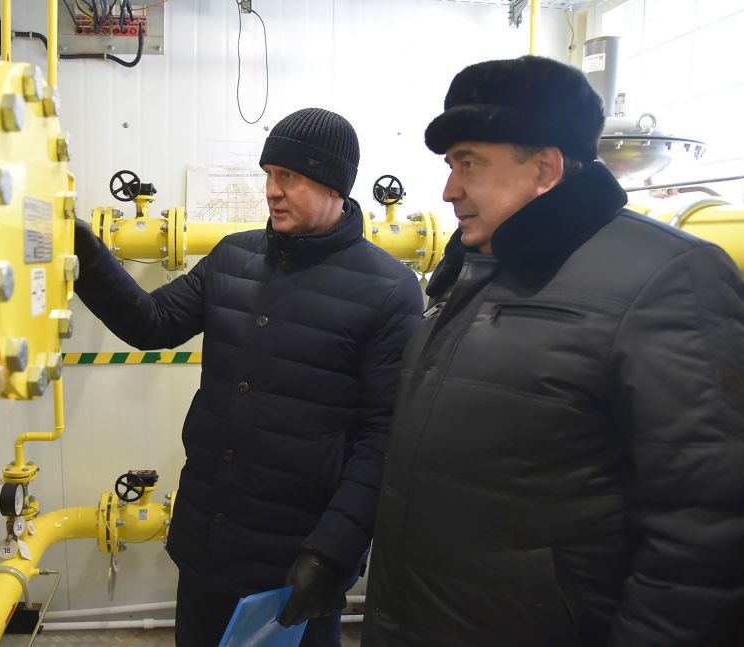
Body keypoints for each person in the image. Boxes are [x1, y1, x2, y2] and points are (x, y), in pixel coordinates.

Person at [363, 55, 744, 646]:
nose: (449, 190)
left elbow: (704, 530)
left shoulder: (670, 278)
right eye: (450, 165)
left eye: (469, 163)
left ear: (544, 168)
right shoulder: (476, 267)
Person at [72, 108, 424, 646]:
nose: (271, 191)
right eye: (269, 174)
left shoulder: (388, 288)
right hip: (207, 539)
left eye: (288, 177)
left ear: (334, 184)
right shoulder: (233, 256)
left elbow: (383, 438)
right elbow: (151, 323)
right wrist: (84, 250)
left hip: (297, 557)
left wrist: (332, 553)